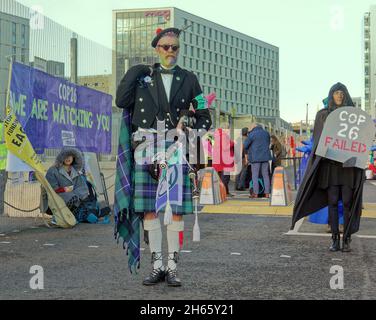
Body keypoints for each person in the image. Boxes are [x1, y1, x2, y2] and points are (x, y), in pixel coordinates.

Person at [115, 27, 212, 286]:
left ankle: (172, 268)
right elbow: (121, 101)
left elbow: (205, 117)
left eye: (175, 47)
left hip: (176, 149)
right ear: (157, 48)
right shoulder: (143, 78)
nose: (171, 51)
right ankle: (156, 265)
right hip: (145, 149)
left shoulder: (190, 79)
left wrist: (188, 124)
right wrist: (135, 70)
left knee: (176, 211)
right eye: (166, 46)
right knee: (149, 210)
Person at [292, 83, 365, 252]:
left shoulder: (355, 116)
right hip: (330, 167)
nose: (339, 95)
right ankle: (334, 239)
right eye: (336, 92)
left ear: (345, 95)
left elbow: (360, 139)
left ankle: (346, 238)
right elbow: (319, 139)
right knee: (332, 202)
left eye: (341, 93)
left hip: (348, 167)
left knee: (347, 202)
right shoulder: (323, 115)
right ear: (331, 95)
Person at [45, 148, 110, 224]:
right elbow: (51, 189)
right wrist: (64, 190)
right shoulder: (53, 170)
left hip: (75, 201)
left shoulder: (75, 170)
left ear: (74, 157)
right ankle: (59, 217)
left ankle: (88, 213)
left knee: (84, 201)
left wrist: (76, 195)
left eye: (70, 156)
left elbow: (82, 187)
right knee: (74, 199)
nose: (68, 158)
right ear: (61, 158)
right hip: (55, 200)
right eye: (65, 156)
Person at [244, 123, 272, 198]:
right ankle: (267, 193)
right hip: (265, 157)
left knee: (255, 176)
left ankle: (255, 193)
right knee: (266, 175)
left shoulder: (252, 134)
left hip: (255, 158)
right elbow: (268, 143)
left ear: (254, 127)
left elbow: (245, 145)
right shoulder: (266, 133)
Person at [212, 123, 235, 197]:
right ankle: (224, 192)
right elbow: (225, 148)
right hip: (224, 159)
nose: (229, 130)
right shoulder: (224, 135)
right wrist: (233, 143)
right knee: (225, 177)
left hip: (218, 159)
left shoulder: (217, 135)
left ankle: (224, 192)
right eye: (228, 128)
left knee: (221, 177)